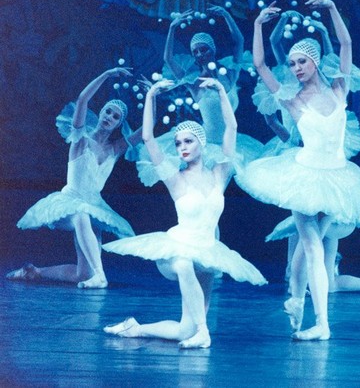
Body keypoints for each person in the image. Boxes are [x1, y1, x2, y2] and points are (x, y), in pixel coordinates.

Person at [235, 0, 360, 341]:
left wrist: (332, 8)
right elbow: (260, 64)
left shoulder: (340, 89)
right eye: (292, 63)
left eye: (301, 61)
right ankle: (321, 323)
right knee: (312, 247)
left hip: (339, 177)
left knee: (307, 245)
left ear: (315, 62)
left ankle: (297, 300)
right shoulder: (293, 99)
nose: (296, 68)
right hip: (303, 175)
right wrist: (257, 25)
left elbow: (345, 44)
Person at [102, 78, 266, 349]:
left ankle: (135, 328)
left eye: (188, 141)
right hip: (177, 250)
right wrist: (152, 94)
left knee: (184, 330)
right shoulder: (174, 178)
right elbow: (147, 138)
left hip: (207, 251)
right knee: (182, 264)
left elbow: (232, 128)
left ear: (202, 143)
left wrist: (221, 91)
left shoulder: (219, 174)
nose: (183, 147)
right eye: (178, 143)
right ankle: (204, 331)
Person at [6, 67, 140, 288]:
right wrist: (107, 74)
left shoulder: (115, 149)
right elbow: (82, 99)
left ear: (119, 124)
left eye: (116, 116)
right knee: (80, 215)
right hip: (69, 203)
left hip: (94, 206)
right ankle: (101, 276)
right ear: (101, 113)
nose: (110, 117)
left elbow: (145, 133)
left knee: (82, 274)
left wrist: (153, 96)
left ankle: (34, 272)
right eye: (108, 112)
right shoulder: (81, 139)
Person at [162, 5, 263, 162]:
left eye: (204, 49)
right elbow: (168, 59)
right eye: (195, 52)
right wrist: (172, 28)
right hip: (207, 147)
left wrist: (226, 15)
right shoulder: (194, 82)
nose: (200, 54)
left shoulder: (230, 73)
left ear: (213, 50)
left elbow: (239, 41)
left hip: (233, 143)